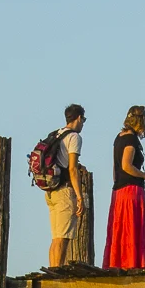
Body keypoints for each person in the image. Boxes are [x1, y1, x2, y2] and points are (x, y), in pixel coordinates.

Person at [103, 106, 145, 269]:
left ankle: (116, 263)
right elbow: (126, 165)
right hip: (131, 191)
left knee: (120, 229)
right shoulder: (131, 140)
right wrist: (144, 175)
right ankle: (133, 264)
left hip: (118, 191)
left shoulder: (119, 137)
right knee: (131, 229)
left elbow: (115, 168)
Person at [45, 105, 87, 267]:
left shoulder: (58, 134)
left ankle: (53, 269)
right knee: (63, 237)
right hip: (64, 191)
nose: (83, 123)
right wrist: (79, 196)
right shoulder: (74, 137)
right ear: (78, 118)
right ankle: (56, 273)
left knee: (56, 237)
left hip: (51, 191)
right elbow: (72, 169)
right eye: (83, 119)